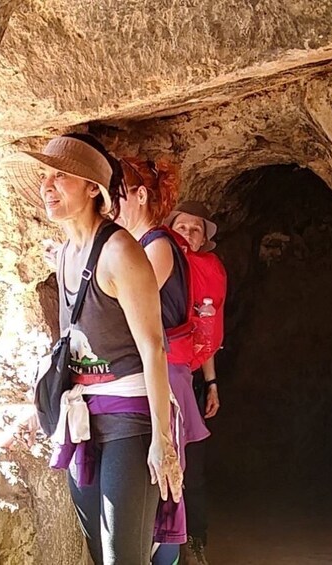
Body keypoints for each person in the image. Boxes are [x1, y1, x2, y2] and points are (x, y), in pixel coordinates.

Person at [6, 134, 183, 565]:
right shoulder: (66, 254)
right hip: (82, 420)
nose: (47, 186)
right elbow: (73, 347)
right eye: (44, 176)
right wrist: (39, 406)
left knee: (124, 557)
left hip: (130, 418)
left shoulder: (121, 252)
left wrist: (162, 440)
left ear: (93, 189)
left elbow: (153, 347)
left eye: (61, 177)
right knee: (99, 550)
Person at [116, 158, 211, 565]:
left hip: (165, 372)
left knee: (165, 487)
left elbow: (128, 305)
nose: (110, 201)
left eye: (116, 192)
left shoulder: (156, 245)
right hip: (155, 371)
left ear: (140, 195)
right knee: (157, 486)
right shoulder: (142, 245)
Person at [165, 201, 225, 559]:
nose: (188, 234)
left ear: (205, 239)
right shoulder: (158, 262)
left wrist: (212, 383)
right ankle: (166, 543)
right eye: (182, 227)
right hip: (161, 375)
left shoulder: (211, 270)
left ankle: (194, 540)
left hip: (193, 376)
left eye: (196, 229)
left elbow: (208, 329)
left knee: (195, 468)